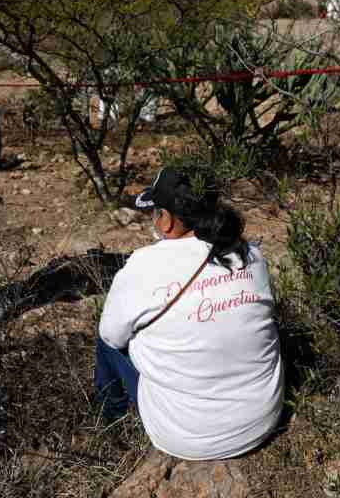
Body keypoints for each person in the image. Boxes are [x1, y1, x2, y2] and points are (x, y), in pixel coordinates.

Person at [95, 167, 284, 461]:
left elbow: (111, 336)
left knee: (105, 342)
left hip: (186, 437)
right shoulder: (249, 254)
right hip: (263, 420)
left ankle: (111, 420)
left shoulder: (142, 266)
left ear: (166, 220)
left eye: (155, 212)